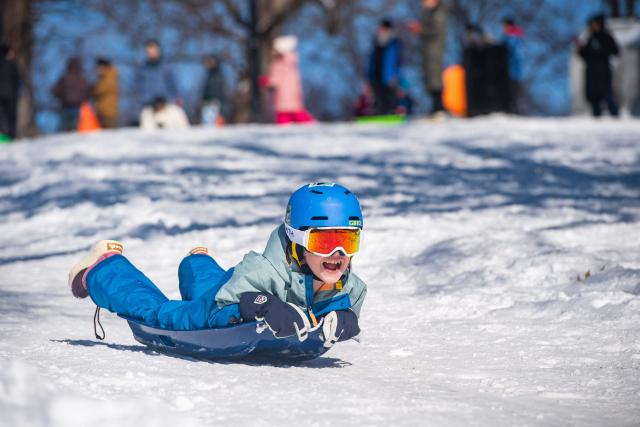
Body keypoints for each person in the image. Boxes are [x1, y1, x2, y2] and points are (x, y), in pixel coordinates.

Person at [67, 183, 366, 346]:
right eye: (324, 242)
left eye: (348, 242)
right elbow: (217, 313)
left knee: (218, 284)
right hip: (218, 306)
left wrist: (346, 317)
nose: (337, 254)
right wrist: (254, 305)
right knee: (162, 315)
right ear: (297, 241)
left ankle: (197, 262)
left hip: (230, 286)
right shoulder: (261, 272)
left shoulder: (349, 287)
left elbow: (347, 307)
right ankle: (104, 268)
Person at [409, 0, 448, 116]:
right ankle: (435, 107)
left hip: (434, 49)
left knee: (435, 77)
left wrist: (420, 29)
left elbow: (435, 30)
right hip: (428, 49)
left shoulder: (438, 13)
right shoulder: (429, 13)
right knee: (430, 78)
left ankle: (439, 107)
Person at [264, 35, 315, 125]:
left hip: (282, 95)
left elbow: (276, 80)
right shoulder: (292, 63)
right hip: (293, 94)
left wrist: (266, 81)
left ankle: (307, 125)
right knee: (296, 111)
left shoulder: (278, 64)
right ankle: (311, 125)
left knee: (283, 115)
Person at [577, 14, 620, 117]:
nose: (593, 27)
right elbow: (584, 55)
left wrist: (601, 52)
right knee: (593, 95)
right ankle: (596, 116)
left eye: (594, 24)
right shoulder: (590, 38)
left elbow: (615, 51)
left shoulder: (607, 37)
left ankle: (615, 114)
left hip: (603, 70)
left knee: (606, 93)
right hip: (591, 71)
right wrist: (580, 49)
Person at [367, 19, 401, 115]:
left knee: (389, 98)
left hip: (389, 76)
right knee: (378, 98)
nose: (380, 31)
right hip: (376, 76)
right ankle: (379, 114)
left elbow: (398, 61)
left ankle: (391, 113)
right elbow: (372, 61)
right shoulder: (376, 43)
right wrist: (369, 77)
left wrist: (395, 74)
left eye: (383, 29)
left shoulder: (394, 43)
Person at [135, 39, 178, 112]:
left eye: (152, 49)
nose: (150, 53)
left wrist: (175, 98)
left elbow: (173, 85)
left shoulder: (166, 67)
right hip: (148, 106)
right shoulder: (142, 69)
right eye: (148, 51)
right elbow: (138, 88)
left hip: (165, 106)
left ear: (158, 50)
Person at [52, 57, 91, 132]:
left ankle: (63, 139)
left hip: (66, 104)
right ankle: (72, 138)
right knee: (74, 125)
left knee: (64, 125)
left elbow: (55, 90)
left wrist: (62, 97)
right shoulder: (82, 78)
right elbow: (88, 92)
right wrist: (83, 100)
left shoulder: (65, 77)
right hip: (77, 105)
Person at [501, 18, 524, 114]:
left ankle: (513, 112)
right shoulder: (512, 37)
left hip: (512, 71)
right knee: (512, 93)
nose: (503, 28)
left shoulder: (513, 37)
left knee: (512, 93)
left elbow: (508, 50)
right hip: (512, 71)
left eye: (504, 26)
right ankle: (513, 111)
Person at [0, 43, 20, 140]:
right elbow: (16, 81)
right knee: (8, 115)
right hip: (10, 94)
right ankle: (9, 135)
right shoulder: (12, 65)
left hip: (6, 94)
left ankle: (5, 135)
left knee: (3, 115)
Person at [200, 54, 226, 126]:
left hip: (215, 105)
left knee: (214, 127)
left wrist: (222, 112)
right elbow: (205, 91)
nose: (208, 64)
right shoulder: (209, 76)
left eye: (210, 61)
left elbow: (222, 94)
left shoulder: (219, 76)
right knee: (207, 127)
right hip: (207, 104)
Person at [93, 58, 119, 129]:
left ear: (104, 67)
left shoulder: (110, 76)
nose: (97, 70)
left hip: (108, 113)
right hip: (102, 112)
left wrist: (93, 90)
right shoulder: (102, 78)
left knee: (109, 136)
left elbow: (102, 89)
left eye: (99, 67)